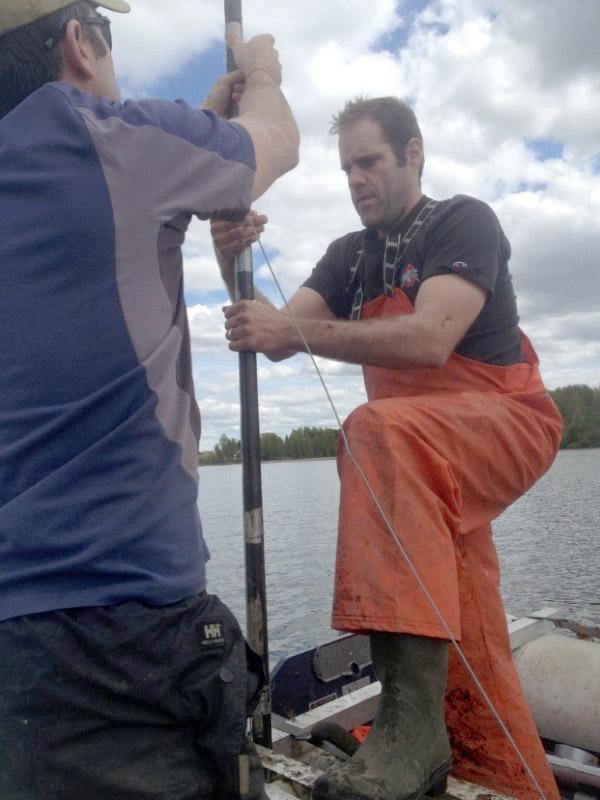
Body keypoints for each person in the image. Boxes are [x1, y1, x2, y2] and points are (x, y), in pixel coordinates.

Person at [211, 96, 563, 800]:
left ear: (413, 153)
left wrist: (295, 335)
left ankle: (409, 730)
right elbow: (276, 334)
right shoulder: (349, 256)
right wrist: (230, 263)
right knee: (468, 616)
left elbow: (432, 337)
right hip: (415, 467)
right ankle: (504, 774)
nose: (356, 179)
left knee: (374, 430)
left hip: (505, 422)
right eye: (345, 168)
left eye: (368, 161)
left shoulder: (463, 221)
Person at [0, 1, 298, 798]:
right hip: (123, 640)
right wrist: (261, 74)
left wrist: (195, 134)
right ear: (80, 41)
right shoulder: (108, 137)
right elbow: (275, 144)